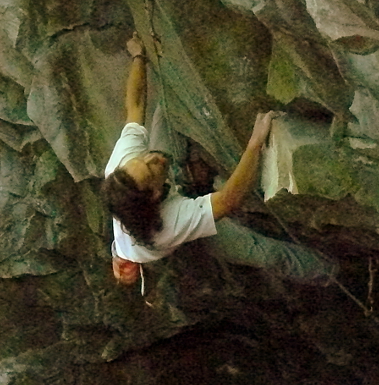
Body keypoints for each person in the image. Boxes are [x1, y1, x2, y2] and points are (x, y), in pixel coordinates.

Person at [101, 35, 336, 286]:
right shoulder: (168, 226)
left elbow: (135, 107)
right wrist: (254, 144)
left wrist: (139, 56)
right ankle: (332, 272)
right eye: (150, 168)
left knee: (170, 109)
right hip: (181, 236)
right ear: (154, 194)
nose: (151, 158)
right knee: (265, 253)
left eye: (143, 160)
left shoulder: (124, 168)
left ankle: (187, 176)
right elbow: (229, 200)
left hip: (144, 220)